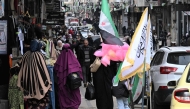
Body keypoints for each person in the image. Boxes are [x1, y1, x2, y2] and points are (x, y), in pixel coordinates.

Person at [54, 44, 83, 109]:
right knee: (74, 96)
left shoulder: (60, 58)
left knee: (64, 95)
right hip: (73, 85)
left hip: (63, 84)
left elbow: (56, 69)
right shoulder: (73, 58)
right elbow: (79, 69)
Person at [92, 38, 117, 109]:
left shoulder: (95, 54)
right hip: (107, 77)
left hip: (98, 78)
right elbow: (114, 66)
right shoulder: (110, 54)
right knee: (108, 94)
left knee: (99, 95)